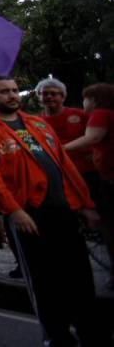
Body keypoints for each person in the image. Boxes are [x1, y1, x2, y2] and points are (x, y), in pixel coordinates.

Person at [0, 76, 107, 346]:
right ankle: (57, 337)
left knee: (80, 279)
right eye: (4, 91)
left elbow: (64, 165)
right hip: (28, 216)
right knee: (44, 283)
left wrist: (85, 204)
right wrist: (13, 211)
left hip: (64, 213)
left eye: (15, 90)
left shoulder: (37, 123)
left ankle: (92, 335)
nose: (12, 95)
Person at [64, 83, 114, 276]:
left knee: (109, 226)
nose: (83, 102)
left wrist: (61, 149)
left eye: (85, 98)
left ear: (94, 99)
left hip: (109, 178)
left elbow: (92, 138)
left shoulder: (100, 114)